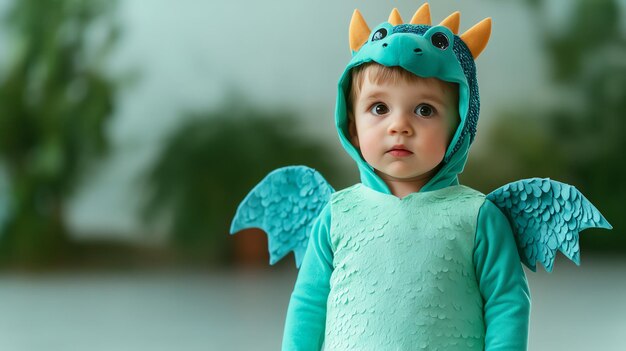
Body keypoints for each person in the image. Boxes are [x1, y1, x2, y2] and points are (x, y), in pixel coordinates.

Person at [281, 5, 531, 350]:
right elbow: (309, 302)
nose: (399, 125)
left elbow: (506, 304)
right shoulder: (338, 214)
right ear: (353, 127)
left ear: (458, 127)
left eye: (424, 110)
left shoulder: (477, 217)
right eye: (379, 108)